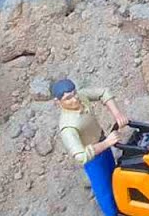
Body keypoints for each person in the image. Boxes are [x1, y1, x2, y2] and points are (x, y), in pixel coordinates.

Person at [52, 79, 129, 216]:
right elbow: (80, 156)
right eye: (68, 98)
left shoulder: (82, 97)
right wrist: (107, 143)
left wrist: (117, 114)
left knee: (114, 175)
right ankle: (112, 213)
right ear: (58, 102)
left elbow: (104, 92)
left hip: (103, 144)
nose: (75, 99)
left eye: (74, 93)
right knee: (103, 188)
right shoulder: (68, 126)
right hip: (93, 158)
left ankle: (122, 203)